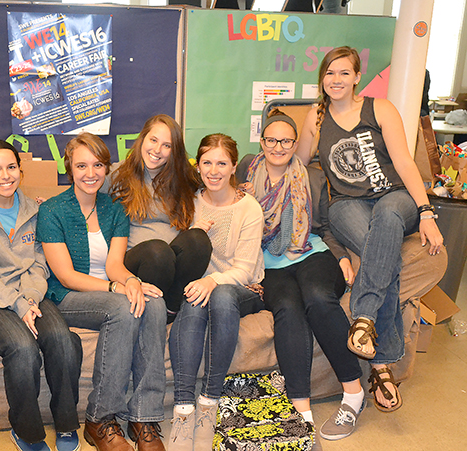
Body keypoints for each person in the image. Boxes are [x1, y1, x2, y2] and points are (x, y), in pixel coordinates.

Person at [298, 46, 444, 414]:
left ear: (357, 76)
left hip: (396, 199)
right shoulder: (316, 117)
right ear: (322, 79)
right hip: (347, 204)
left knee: (389, 220)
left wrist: (426, 213)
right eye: (330, 74)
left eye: (344, 73)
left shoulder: (380, 109)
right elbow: (298, 163)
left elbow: (405, 164)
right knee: (383, 255)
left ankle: (364, 318)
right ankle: (382, 364)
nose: (336, 80)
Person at [37, 133, 167, 451]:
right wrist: (116, 289)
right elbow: (66, 276)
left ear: (107, 168)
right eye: (82, 165)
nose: (91, 173)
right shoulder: (53, 210)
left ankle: (143, 417)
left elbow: (114, 266)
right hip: (66, 296)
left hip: (107, 289)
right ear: (69, 168)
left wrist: (131, 282)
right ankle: (100, 418)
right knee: (121, 308)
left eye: (98, 164)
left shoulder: (114, 209)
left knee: (154, 303)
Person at [245, 109, 364, 445]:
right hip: (268, 263)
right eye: (272, 140)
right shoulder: (245, 169)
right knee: (287, 307)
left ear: (296, 143)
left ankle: (353, 392)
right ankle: (302, 411)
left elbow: (325, 226)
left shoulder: (312, 177)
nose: (278, 146)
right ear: (262, 141)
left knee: (316, 296)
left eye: (286, 141)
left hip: (311, 253)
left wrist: (341, 257)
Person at [0, 140, 83, 451]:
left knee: (62, 340)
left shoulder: (36, 210)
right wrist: (17, 304)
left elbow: (40, 263)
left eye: (11, 167)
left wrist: (28, 299)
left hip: (30, 294)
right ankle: (27, 432)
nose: (5, 175)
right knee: (23, 348)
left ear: (20, 171)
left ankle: (66, 423)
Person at [168, 134, 265, 451]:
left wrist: (212, 281)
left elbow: (245, 270)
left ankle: (210, 400)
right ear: (199, 166)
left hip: (242, 287)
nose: (213, 170)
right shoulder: (191, 201)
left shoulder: (248, 208)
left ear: (233, 166)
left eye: (221, 163)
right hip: (199, 286)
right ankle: (184, 408)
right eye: (207, 162)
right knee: (194, 303)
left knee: (219, 294)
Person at [109, 114, 212, 321]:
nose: (157, 150)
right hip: (139, 263)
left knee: (198, 240)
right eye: (153, 140)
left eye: (167, 145)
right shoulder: (118, 174)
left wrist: (241, 190)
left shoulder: (184, 178)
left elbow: (216, 182)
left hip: (173, 264)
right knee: (158, 252)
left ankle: (171, 308)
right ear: (142, 139)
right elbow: (86, 185)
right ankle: (147, 310)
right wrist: (46, 203)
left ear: (175, 151)